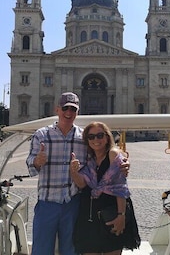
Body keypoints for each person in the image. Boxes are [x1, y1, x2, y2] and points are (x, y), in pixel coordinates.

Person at [26, 92, 130, 255]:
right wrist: (37, 161)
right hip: (47, 203)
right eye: (65, 108)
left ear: (77, 112)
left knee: (71, 250)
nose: (69, 113)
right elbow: (30, 164)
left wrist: (121, 160)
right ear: (57, 110)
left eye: (73, 109)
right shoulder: (42, 135)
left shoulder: (84, 138)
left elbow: (102, 156)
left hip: (73, 204)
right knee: (41, 250)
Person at [70, 121, 140, 254]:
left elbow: (120, 187)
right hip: (89, 216)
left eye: (100, 135)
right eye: (91, 137)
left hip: (111, 214)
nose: (96, 140)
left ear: (107, 137)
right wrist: (73, 171)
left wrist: (121, 215)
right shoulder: (89, 158)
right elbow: (82, 184)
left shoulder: (113, 154)